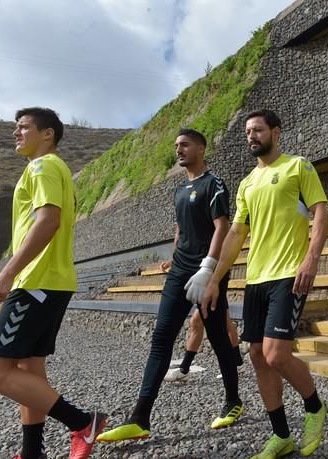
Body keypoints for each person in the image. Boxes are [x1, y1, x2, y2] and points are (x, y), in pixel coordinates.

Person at [97, 129, 242, 443]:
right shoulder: (179, 191)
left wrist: (208, 269)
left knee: (218, 339)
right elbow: (181, 230)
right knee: (161, 337)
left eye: (185, 145)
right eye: (176, 145)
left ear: (201, 148)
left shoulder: (213, 184)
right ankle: (139, 419)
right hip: (179, 272)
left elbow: (222, 227)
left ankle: (233, 401)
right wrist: (174, 258)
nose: (178, 149)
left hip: (207, 273)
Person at [200, 110, 328, 459]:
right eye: (247, 132)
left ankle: (315, 407)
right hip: (256, 277)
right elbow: (236, 233)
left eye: (257, 130)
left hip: (289, 273)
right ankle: (281, 436)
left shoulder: (298, 167)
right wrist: (214, 278)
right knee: (257, 355)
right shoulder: (246, 184)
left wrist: (312, 258)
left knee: (276, 353)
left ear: (276, 132)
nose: (251, 136)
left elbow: (320, 212)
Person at [0, 107, 106, 459]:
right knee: (28, 368)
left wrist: (7, 272)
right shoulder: (50, 169)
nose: (16, 132)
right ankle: (31, 452)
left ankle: (83, 422)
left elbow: (48, 221)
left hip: (35, 282)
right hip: (49, 282)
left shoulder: (42, 166)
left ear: (48, 134)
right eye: (15, 127)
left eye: (23, 126)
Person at [163, 306, 243, 382]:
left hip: (212, 292)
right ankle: (237, 363)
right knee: (223, 321)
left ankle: (184, 369)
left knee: (200, 321)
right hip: (208, 293)